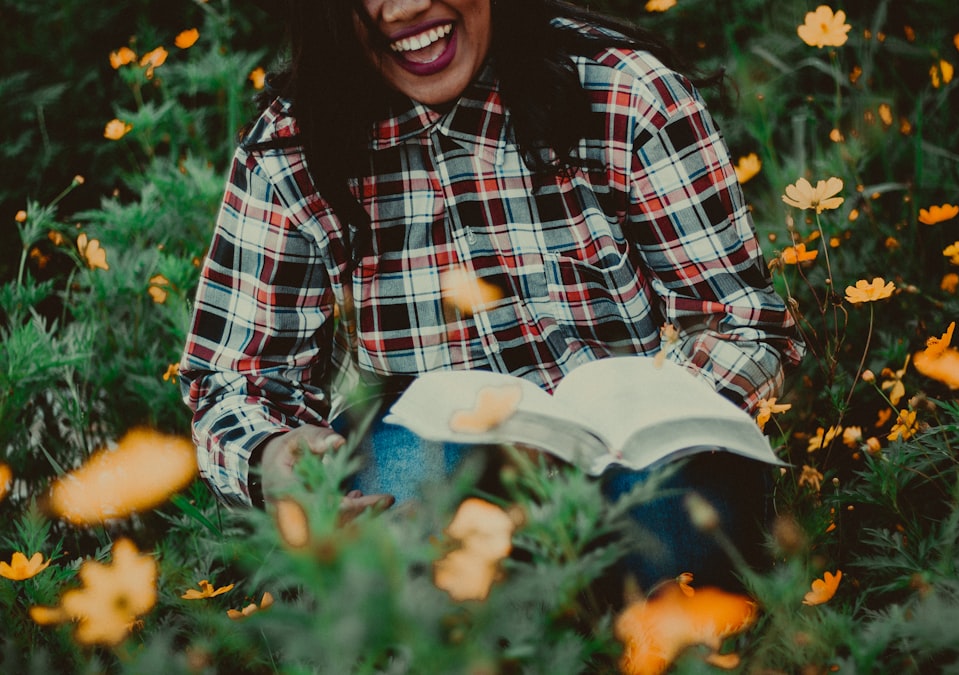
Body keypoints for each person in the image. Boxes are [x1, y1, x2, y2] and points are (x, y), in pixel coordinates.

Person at [180, 0, 803, 590]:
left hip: (629, 444)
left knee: (677, 532)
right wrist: (269, 454)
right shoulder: (291, 150)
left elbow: (745, 322)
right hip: (433, 451)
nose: (401, 10)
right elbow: (233, 379)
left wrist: (652, 420)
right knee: (403, 513)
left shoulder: (626, 91)